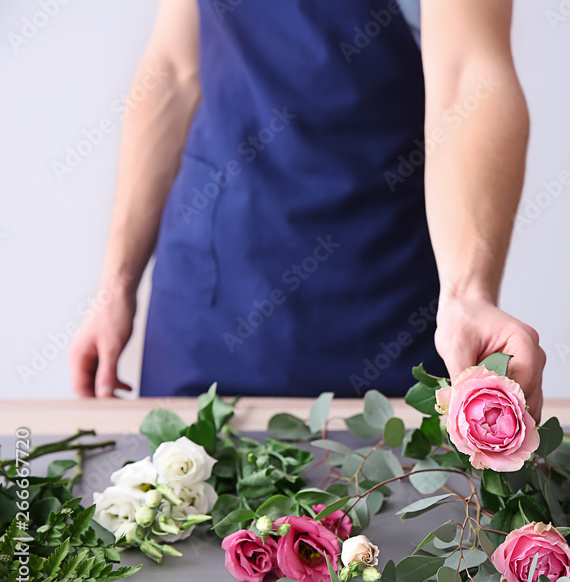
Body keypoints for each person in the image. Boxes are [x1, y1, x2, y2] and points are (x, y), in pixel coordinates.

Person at [67, 0, 545, 418]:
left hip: (386, 293)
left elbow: (469, 77)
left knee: (391, 508)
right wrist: (117, 282)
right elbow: (173, 69)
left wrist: (469, 292)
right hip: (208, 295)